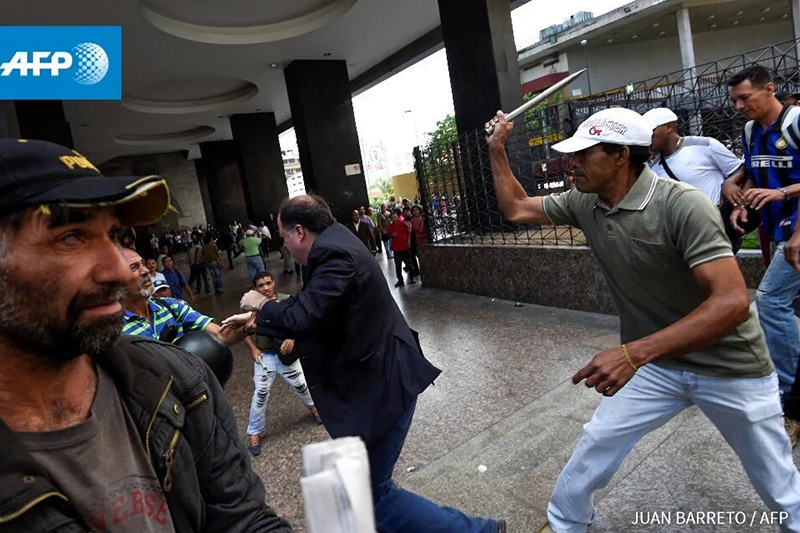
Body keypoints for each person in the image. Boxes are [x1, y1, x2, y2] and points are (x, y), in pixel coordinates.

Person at [485, 107, 800, 533]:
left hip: (732, 368)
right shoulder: (585, 202)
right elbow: (518, 209)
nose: (571, 163)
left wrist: (633, 353)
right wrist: (497, 148)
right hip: (659, 366)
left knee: (777, 481)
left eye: (583, 154)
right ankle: (566, 524)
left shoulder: (681, 205)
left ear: (620, 156)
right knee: (597, 443)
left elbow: (731, 303)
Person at [0, 138, 292, 532]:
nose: (120, 272)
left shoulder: (180, 383)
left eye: (112, 235)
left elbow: (244, 521)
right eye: (71, 238)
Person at [222, 195, 504, 533]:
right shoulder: (335, 240)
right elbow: (318, 308)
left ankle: (479, 531)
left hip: (383, 389)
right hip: (372, 386)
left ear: (298, 231)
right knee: (360, 491)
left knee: (373, 496)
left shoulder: (333, 253)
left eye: (282, 235)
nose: (282, 242)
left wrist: (259, 304)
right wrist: (258, 322)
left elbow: (304, 314)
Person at [728, 65, 800, 445]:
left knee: (771, 301)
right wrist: (744, 201)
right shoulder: (751, 131)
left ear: (769, 88)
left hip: (797, 231)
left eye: (746, 97)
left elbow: (783, 184)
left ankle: (791, 397)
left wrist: (783, 195)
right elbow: (757, 173)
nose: (740, 106)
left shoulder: (796, 122)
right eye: (735, 100)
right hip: (777, 230)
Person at [644, 106, 756, 252]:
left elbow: (741, 169)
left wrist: (730, 182)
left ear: (668, 127)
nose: (647, 138)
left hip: (719, 226)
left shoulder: (705, 145)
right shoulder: (654, 169)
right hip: (687, 235)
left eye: (651, 132)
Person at [244, 271, 320, 457]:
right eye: (261, 286)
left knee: (301, 385)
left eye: (268, 283)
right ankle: (254, 432)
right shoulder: (251, 307)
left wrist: (292, 337)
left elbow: (300, 323)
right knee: (261, 394)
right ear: (256, 289)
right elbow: (244, 331)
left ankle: (314, 407)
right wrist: (253, 349)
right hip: (265, 357)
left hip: (286, 355)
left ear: (274, 283)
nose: (266, 288)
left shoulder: (287, 301)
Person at [387, 211, 417, 287]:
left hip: (404, 247)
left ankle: (412, 277)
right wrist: (392, 235)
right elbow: (388, 235)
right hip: (396, 248)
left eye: (395, 217)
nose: (394, 218)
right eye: (392, 217)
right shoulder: (390, 226)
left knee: (409, 264)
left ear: (397, 217)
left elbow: (409, 232)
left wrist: (408, 241)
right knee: (398, 265)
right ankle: (400, 280)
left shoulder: (402, 224)